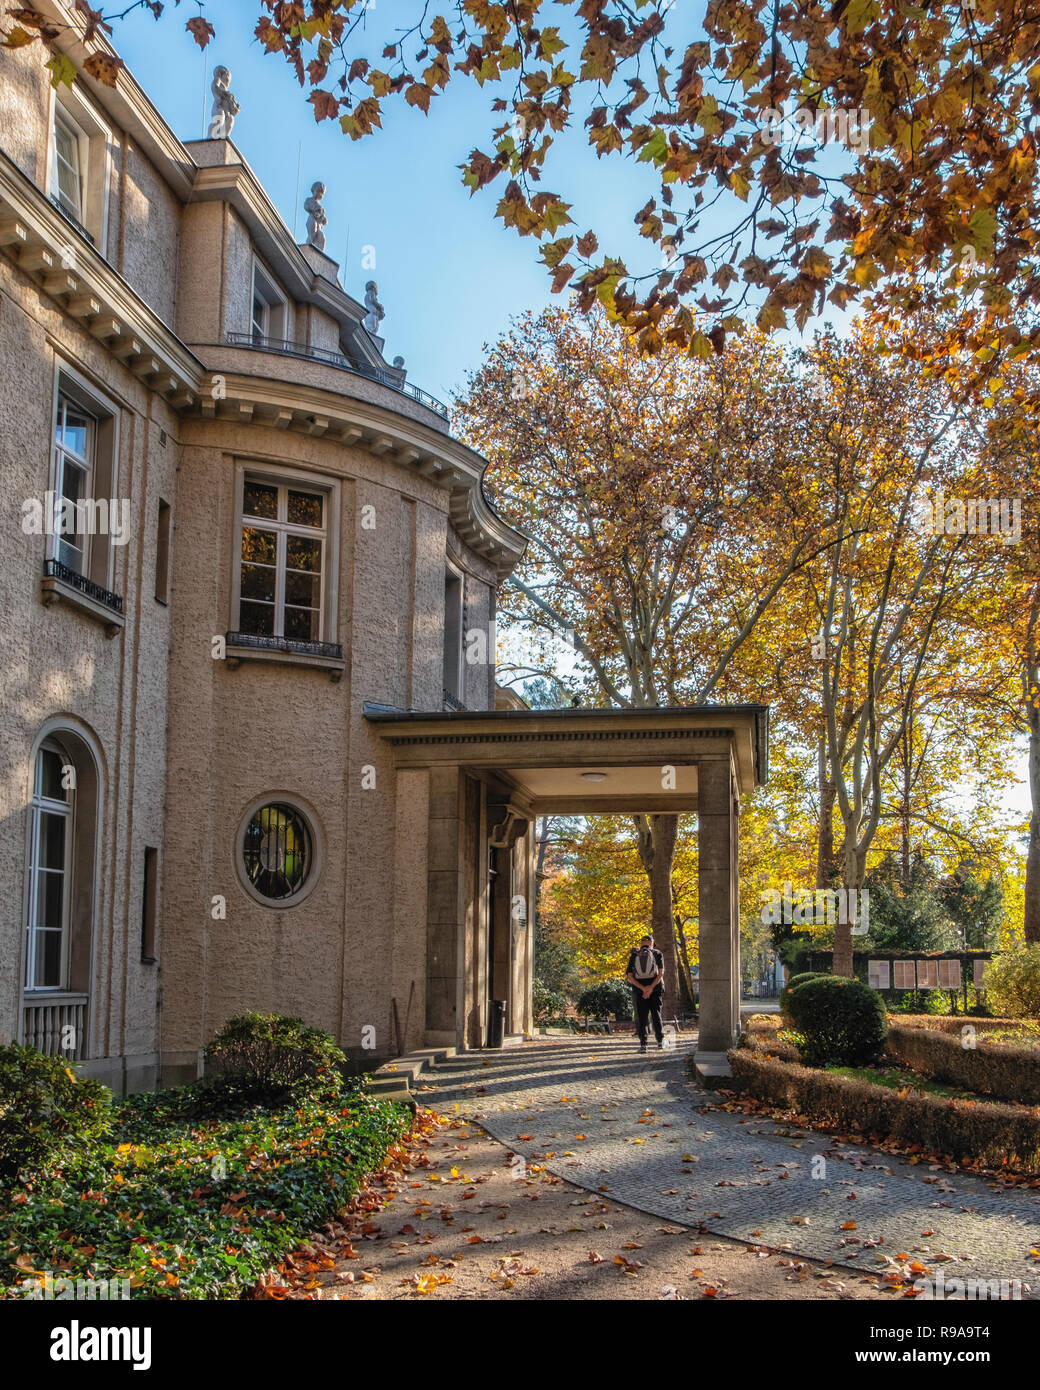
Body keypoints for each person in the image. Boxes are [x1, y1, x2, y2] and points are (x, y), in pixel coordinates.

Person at [625, 933, 665, 1053]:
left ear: (641, 944)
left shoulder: (635, 954)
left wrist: (643, 989)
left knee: (642, 1017)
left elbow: (629, 976)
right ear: (652, 944)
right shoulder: (657, 953)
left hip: (639, 991)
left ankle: (643, 1045)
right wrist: (651, 988)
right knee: (656, 1015)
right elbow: (661, 973)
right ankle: (660, 1042)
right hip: (656, 990)